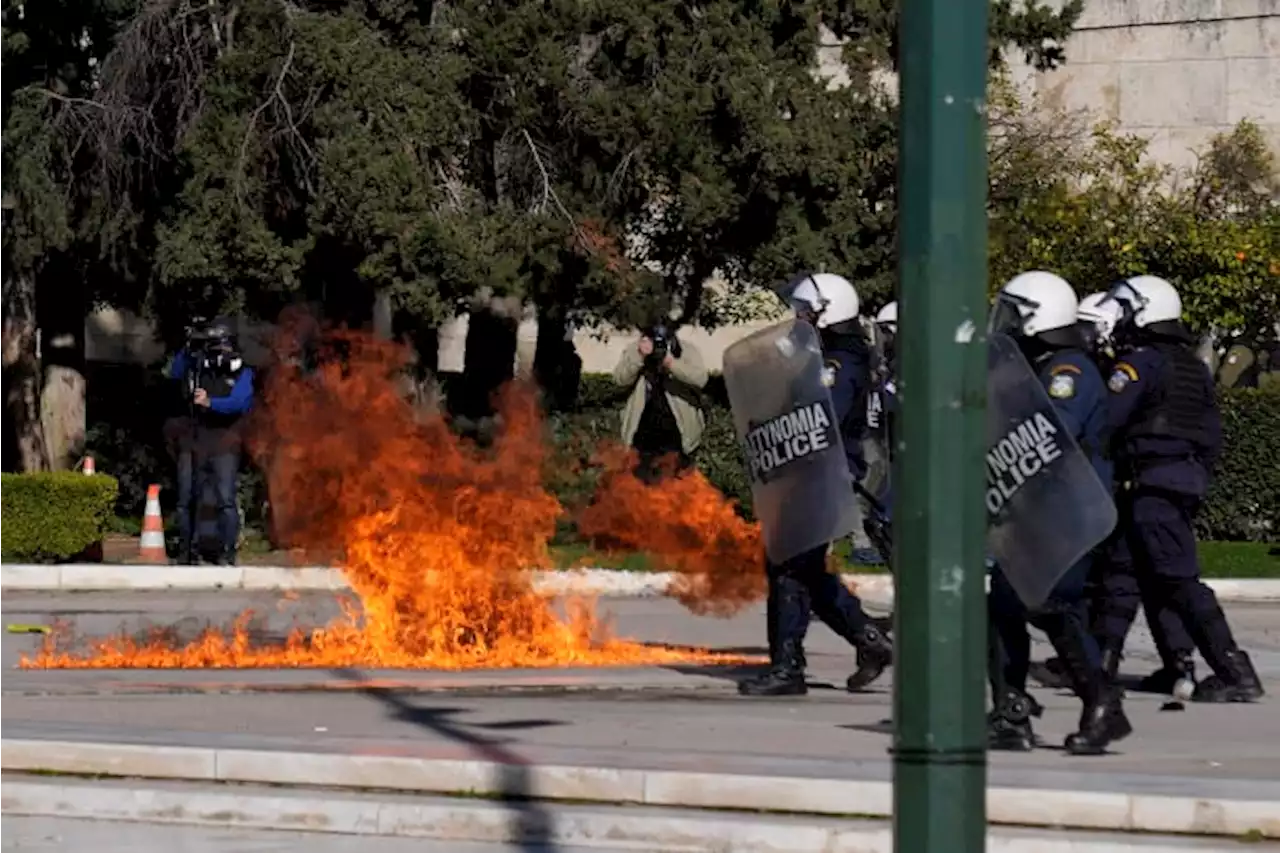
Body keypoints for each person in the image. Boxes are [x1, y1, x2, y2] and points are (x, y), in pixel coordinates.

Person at [1095, 275, 1264, 704]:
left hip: (1152, 484)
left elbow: (1107, 419)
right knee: (1132, 575)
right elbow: (1210, 436)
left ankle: (1235, 672)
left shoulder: (1142, 363)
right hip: (1172, 482)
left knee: (1178, 580)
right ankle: (1150, 665)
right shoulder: (1191, 366)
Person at [985, 271, 1131, 755]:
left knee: (1050, 604)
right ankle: (1011, 712)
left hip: (1069, 511)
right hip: (1035, 511)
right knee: (1004, 604)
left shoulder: (1070, 371)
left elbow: (1049, 432)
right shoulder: (1032, 367)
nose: (1003, 322)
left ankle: (1102, 702)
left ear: (1037, 318)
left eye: (1013, 312)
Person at [1033, 293, 1199, 699]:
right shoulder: (1123, 366)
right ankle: (1106, 663)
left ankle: (1108, 667)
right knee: (1119, 581)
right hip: (1127, 486)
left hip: (1117, 488)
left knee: (1139, 580)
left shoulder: (1118, 368)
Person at [738, 272, 893, 697]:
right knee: (800, 567)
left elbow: (822, 416)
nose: (798, 317)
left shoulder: (840, 363)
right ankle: (868, 639)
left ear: (828, 312)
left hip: (822, 476)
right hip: (810, 475)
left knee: (789, 566)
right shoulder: (831, 356)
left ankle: (788, 668)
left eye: (805, 310)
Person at [165, 319, 255, 566]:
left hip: (224, 444)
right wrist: (189, 346)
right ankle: (186, 552)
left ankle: (227, 553)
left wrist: (210, 403)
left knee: (225, 499)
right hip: (193, 441)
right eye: (213, 345)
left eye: (221, 345)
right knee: (185, 500)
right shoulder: (197, 366)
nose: (217, 352)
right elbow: (175, 373)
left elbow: (242, 403)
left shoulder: (242, 372)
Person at [612, 321, 708, 484]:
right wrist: (640, 357)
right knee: (641, 492)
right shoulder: (634, 349)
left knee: (677, 490)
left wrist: (671, 363)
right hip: (641, 438)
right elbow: (619, 380)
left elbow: (700, 379)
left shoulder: (686, 350)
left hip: (678, 436)